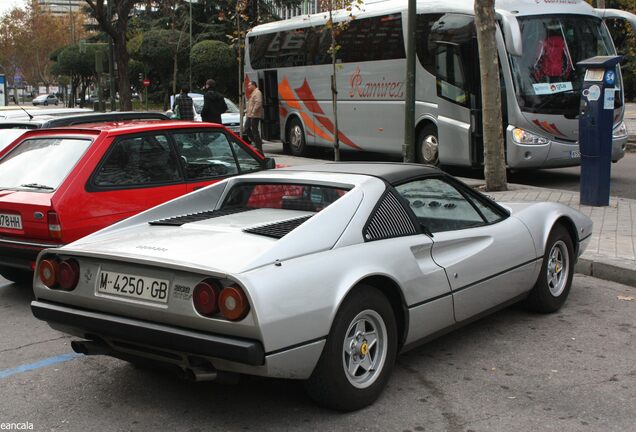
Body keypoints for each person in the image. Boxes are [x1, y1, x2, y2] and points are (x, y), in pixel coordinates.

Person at [246, 80, 264, 154]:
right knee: (247, 128)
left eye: (250, 85)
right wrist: (246, 110)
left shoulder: (257, 92)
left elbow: (258, 103)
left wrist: (253, 111)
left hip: (254, 115)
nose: (248, 87)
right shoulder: (253, 93)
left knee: (254, 131)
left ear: (254, 85)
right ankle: (256, 142)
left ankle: (259, 147)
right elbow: (251, 104)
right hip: (250, 115)